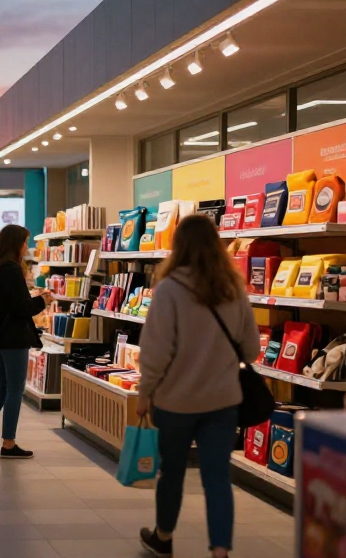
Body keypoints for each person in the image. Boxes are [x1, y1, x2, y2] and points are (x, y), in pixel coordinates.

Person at [135, 215, 260, 558]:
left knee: (171, 472)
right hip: (223, 401)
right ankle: (220, 550)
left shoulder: (170, 289)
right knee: (217, 477)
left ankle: (163, 536)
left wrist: (145, 391)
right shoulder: (233, 289)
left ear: (179, 247)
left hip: (176, 401)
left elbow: (156, 350)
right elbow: (251, 349)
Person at [0, 225, 53, 459]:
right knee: (15, 388)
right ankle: (8, 443)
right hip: (13, 337)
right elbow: (20, 308)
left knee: (4, 385)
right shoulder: (12, 270)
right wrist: (42, 301)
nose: (27, 247)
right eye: (25, 242)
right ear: (16, 244)